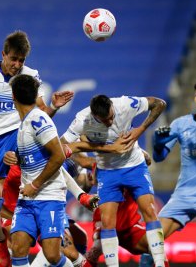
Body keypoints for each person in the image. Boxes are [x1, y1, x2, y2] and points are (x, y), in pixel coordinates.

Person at [0, 30, 73, 266]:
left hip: (18, 138)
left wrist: (54, 107)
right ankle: (0, 239)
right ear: (3, 54)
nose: (17, 65)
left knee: (42, 170)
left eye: (21, 60)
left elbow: (39, 115)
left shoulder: (29, 77)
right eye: (13, 59)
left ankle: (45, 229)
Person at [61, 94, 167, 267]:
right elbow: (62, 145)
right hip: (107, 171)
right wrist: (106, 149)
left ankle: (160, 263)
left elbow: (159, 103)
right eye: (105, 120)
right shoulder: (82, 120)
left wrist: (140, 129)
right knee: (107, 223)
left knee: (149, 211)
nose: (110, 122)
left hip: (134, 165)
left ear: (112, 106)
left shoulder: (125, 104)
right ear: (94, 116)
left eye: (111, 117)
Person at [8, 73, 74, 267]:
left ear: (13, 96)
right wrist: (16, 158)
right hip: (27, 199)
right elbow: (34, 157)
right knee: (18, 248)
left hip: (49, 196)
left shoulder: (38, 120)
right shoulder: (25, 123)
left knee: (53, 255)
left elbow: (59, 155)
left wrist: (35, 185)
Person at [138, 79, 196, 266]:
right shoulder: (181, 124)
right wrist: (158, 144)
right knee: (151, 244)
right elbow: (159, 158)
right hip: (184, 194)